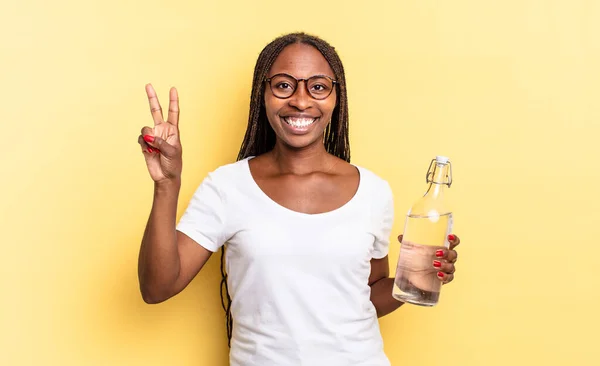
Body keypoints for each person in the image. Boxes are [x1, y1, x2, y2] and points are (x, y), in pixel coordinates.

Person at [137, 32, 461, 366]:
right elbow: (157, 288)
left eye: (318, 86)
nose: (301, 101)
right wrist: (167, 184)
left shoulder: (374, 192)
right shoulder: (227, 187)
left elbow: (367, 294)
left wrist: (417, 278)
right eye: (284, 85)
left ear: (337, 98)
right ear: (263, 94)